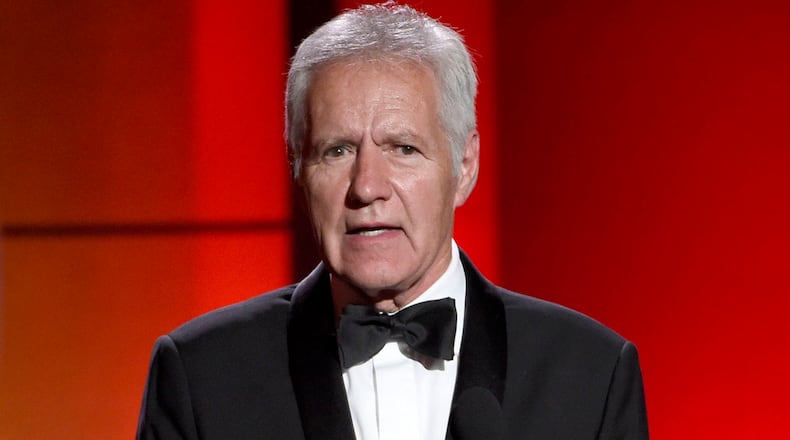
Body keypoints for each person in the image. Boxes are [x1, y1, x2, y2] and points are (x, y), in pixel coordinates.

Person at [137, 3, 649, 439]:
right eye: (336, 151)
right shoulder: (201, 377)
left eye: (403, 149)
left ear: (464, 166)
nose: (366, 187)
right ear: (297, 165)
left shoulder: (590, 374)